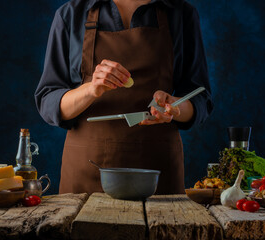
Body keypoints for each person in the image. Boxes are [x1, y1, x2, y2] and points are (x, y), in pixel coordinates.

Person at [35, 0, 213, 194]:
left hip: (157, 174)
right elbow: (48, 101)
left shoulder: (181, 14)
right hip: (87, 173)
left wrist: (176, 108)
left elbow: (201, 99)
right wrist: (90, 89)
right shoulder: (71, 14)